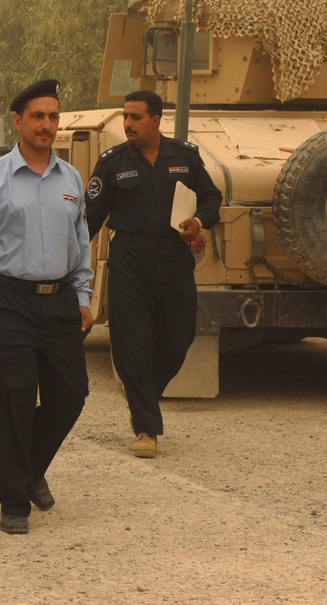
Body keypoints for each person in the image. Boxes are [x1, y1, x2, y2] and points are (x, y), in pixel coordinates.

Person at [0, 79, 93, 535]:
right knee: (13, 400)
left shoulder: (71, 178)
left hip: (60, 304)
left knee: (71, 396)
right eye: (38, 116)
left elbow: (81, 243)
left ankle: (29, 468)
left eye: (53, 117)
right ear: (17, 121)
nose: (47, 125)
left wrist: (85, 297)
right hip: (6, 303)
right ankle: (14, 500)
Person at [84, 90, 222, 458]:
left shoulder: (185, 157)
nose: (127, 123)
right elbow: (89, 220)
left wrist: (200, 221)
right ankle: (147, 427)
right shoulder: (112, 162)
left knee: (179, 338)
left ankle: (140, 392)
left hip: (175, 258)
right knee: (132, 344)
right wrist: (73, 269)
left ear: (156, 120)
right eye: (125, 117)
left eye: (135, 117)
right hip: (130, 259)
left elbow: (212, 199)